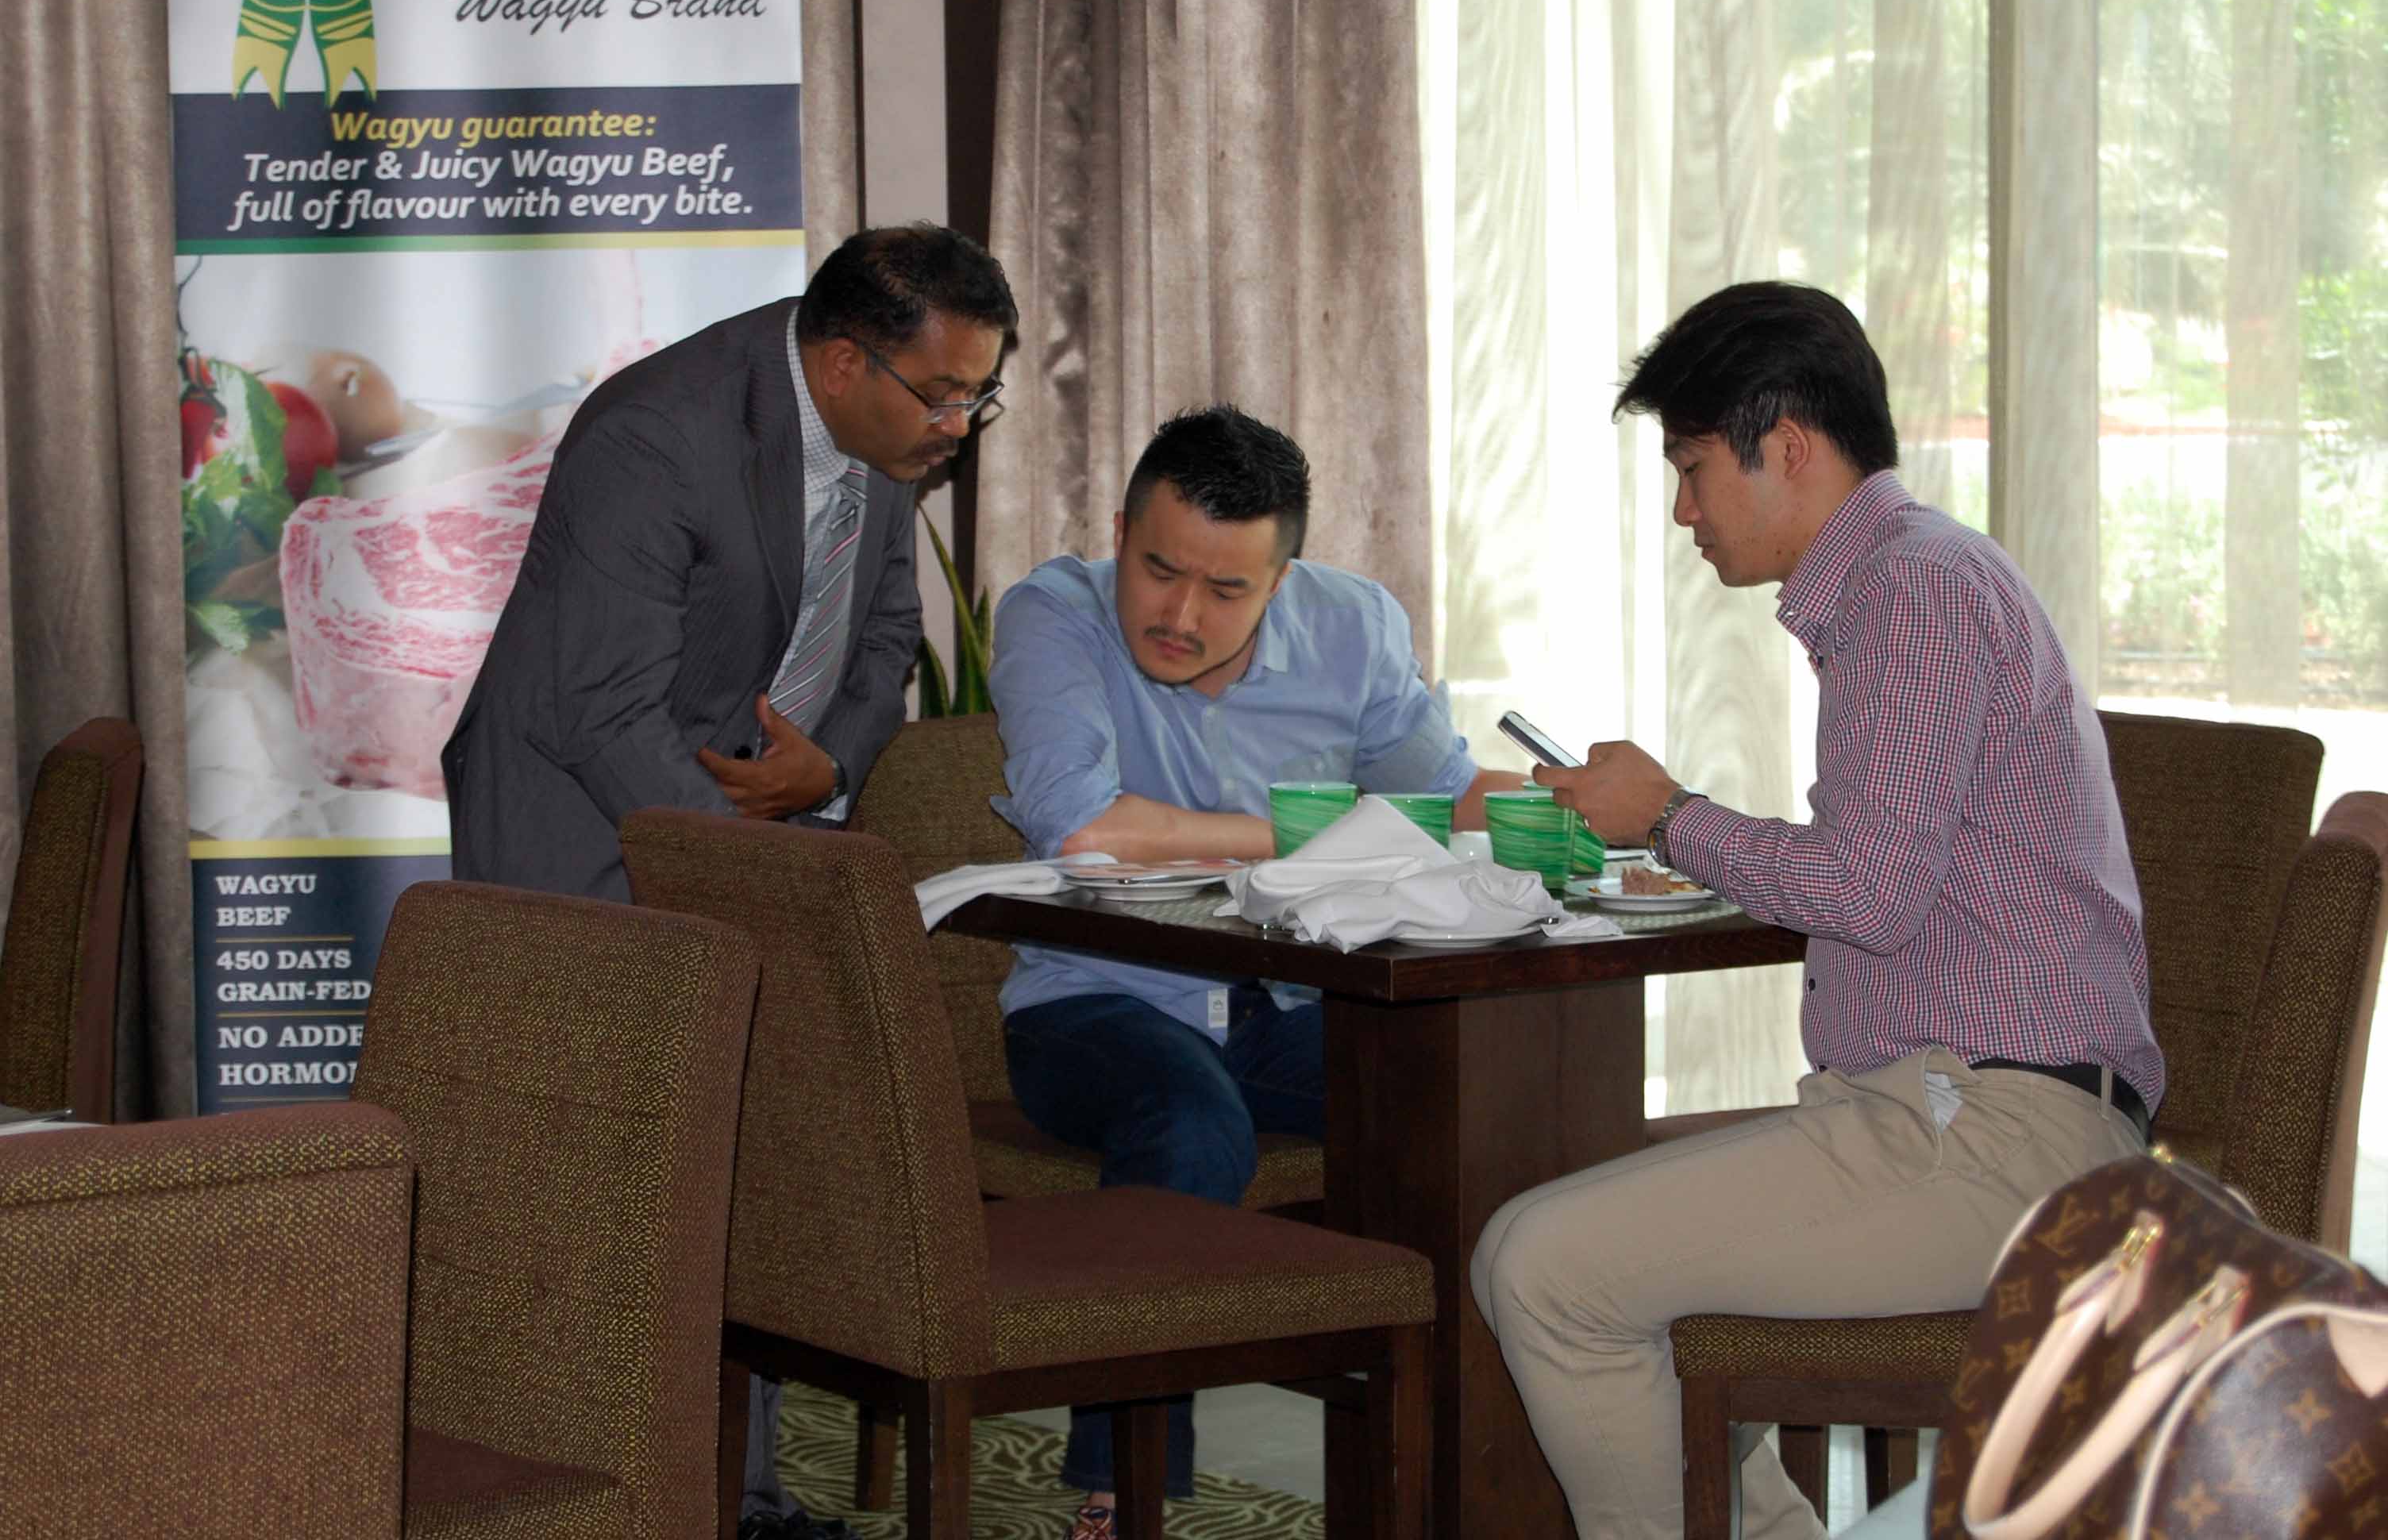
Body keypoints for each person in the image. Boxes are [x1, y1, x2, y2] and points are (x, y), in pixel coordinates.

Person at [1468, 281, 2164, 1540]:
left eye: (1691, 469)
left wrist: (1668, 814)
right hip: (1956, 1110)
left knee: (1545, 1268)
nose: (1682, 511)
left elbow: (1868, 893)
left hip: (2002, 1138)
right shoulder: (1914, 579)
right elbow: (1889, 880)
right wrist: (1677, 825)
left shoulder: (1913, 589)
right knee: (1565, 1243)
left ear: (1784, 444)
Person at [441, 222, 1018, 1540]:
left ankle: (740, 1504)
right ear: (842, 361)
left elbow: (885, 634)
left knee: (746, 1168)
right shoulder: (656, 435)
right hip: (578, 826)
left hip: (750, 820)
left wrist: (828, 768)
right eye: (942, 395)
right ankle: (579, 1495)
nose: (959, 426)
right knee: (594, 1193)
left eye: (978, 395)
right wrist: (750, 868)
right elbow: (597, 710)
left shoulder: (887, 442)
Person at [988, 404, 1523, 1540]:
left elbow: (1444, 802)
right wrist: (1323, 832)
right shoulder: (1054, 614)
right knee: (1193, 1125)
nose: (1179, 616)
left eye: (1226, 590)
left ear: (1282, 581)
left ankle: (1458, 1479)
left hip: (1284, 1003)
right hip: (1095, 1001)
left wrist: (1600, 809)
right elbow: (1082, 830)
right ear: (1120, 532)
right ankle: (1123, 1497)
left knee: (1477, 1105)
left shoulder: (1354, 627)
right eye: (1157, 569)